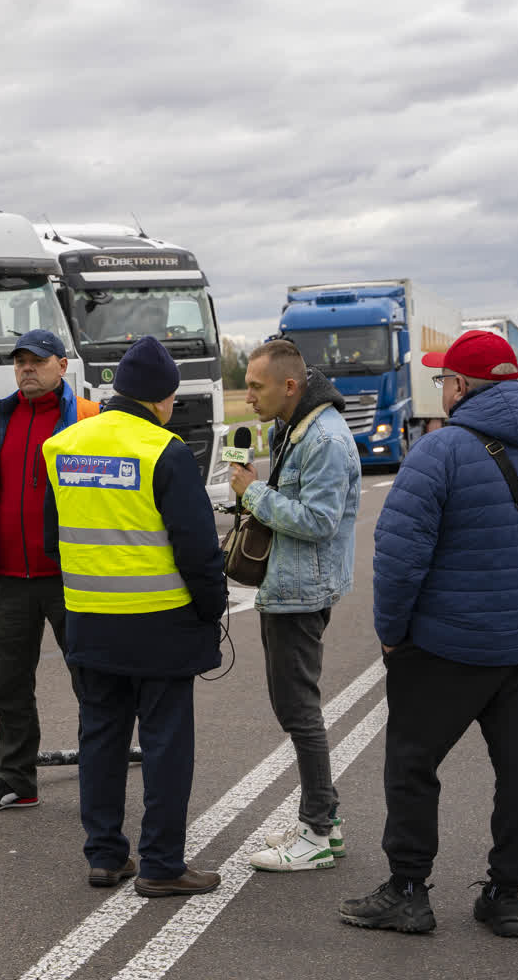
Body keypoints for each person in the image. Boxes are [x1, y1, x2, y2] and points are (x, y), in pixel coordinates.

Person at [339, 329, 518, 937]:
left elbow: (400, 560)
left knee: (412, 764)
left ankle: (408, 889)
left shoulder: (438, 452)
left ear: (460, 386)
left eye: (443, 380)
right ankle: (506, 895)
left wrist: (392, 635)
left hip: (441, 648)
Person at [42, 336, 228, 896]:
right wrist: (211, 607)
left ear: (118, 391)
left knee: (100, 737)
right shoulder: (164, 450)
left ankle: (104, 856)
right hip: (160, 621)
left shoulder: (63, 445)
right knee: (167, 743)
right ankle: (162, 864)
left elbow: (55, 537)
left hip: (90, 618)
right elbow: (197, 547)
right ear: (163, 398)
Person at [228, 338, 361, 872]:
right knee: (294, 707)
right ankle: (323, 821)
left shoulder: (324, 437)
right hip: (289, 585)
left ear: (289, 386)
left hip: (301, 592)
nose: (248, 397)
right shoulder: (292, 426)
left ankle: (318, 830)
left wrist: (254, 494)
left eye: (256, 387)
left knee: (299, 711)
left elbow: (320, 521)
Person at [0, 329, 98, 812]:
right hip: (9, 582)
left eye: (37, 361)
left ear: (62, 365)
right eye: (20, 361)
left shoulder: (88, 419)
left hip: (70, 579)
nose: (26, 369)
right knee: (10, 686)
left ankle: (99, 777)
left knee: (92, 682)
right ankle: (17, 780)